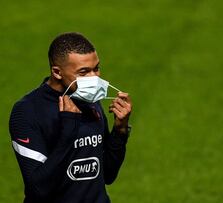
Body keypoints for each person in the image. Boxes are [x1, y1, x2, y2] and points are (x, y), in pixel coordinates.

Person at [9, 32, 132, 203]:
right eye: (84, 72)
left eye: (96, 68)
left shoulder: (88, 99)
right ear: (57, 72)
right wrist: (68, 134)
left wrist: (120, 131)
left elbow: (107, 175)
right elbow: (38, 189)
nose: (94, 78)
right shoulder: (28, 111)